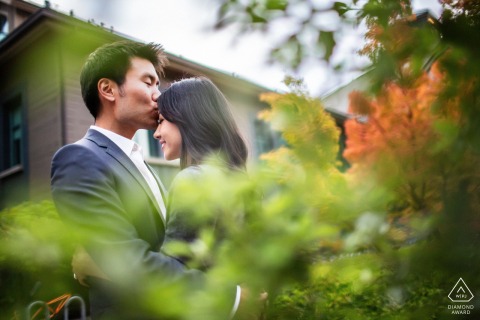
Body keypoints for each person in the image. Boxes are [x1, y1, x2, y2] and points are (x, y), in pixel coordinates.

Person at [50, 40, 203, 320]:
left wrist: (98, 263)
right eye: (148, 83)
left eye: (158, 85)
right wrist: (232, 297)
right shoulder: (77, 158)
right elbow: (125, 258)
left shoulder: (144, 165)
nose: (158, 96)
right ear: (108, 89)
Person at [155, 76, 266, 319]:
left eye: (161, 121)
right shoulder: (239, 182)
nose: (156, 133)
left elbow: (171, 273)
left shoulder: (192, 180)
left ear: (187, 119)